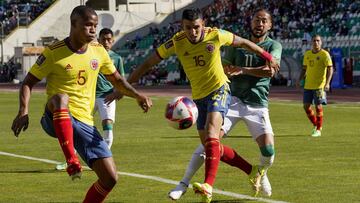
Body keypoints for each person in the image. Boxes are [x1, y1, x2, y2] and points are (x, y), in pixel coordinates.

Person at [128, 8, 279, 203]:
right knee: (211, 146)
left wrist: (267, 56)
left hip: (220, 90)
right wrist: (124, 87)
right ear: (182, 27)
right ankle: (252, 170)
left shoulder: (215, 35)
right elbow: (148, 63)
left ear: (203, 24)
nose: (193, 32)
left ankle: (208, 186)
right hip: (198, 98)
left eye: (196, 27)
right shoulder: (176, 41)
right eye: (188, 28)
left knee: (210, 135)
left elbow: (244, 42)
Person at [11, 5, 152, 203]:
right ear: (73, 25)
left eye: (95, 25)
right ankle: (71, 160)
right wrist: (23, 110)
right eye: (88, 25)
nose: (93, 30)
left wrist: (138, 96)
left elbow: (118, 80)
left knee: (110, 178)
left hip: (84, 122)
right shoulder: (53, 52)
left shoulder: (98, 51)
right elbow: (28, 82)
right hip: (55, 117)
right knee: (61, 98)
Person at [55, 27, 124, 171]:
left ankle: (102, 160)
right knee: (74, 127)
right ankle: (70, 159)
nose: (106, 42)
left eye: (109, 40)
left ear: (112, 41)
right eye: (103, 39)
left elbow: (121, 81)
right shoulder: (90, 54)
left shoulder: (117, 58)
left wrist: (116, 94)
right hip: (88, 97)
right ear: (98, 40)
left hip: (107, 97)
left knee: (107, 125)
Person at [297, 35, 333, 137]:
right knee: (306, 106)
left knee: (318, 106)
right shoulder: (307, 54)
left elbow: (330, 69)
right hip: (308, 85)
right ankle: (316, 124)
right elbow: (304, 69)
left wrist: (327, 83)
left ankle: (318, 129)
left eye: (318, 41)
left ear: (321, 42)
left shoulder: (325, 54)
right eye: (314, 41)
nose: (316, 42)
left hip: (319, 85)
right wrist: (299, 80)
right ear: (311, 43)